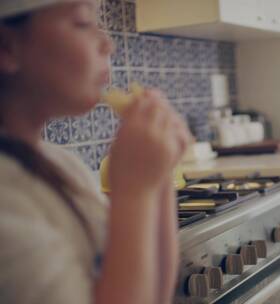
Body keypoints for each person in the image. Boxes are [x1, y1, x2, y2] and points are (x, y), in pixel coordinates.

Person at [0, 1, 193, 303]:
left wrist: (158, 175)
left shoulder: (61, 163)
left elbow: (153, 295)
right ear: (7, 47)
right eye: (82, 22)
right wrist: (134, 191)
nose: (108, 44)